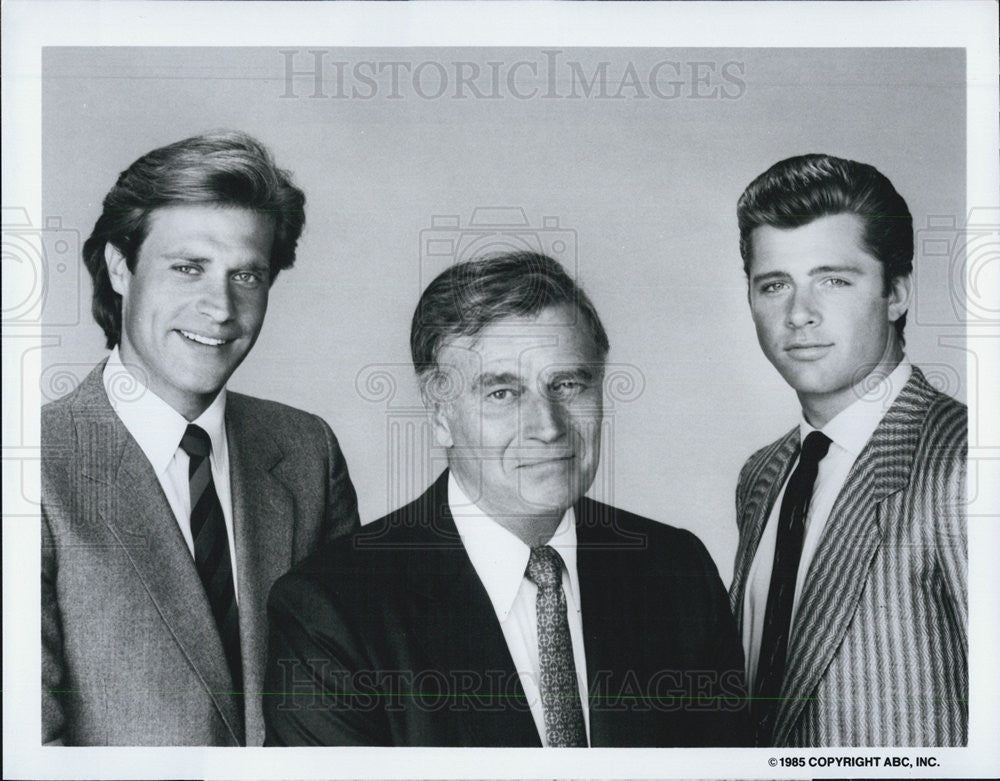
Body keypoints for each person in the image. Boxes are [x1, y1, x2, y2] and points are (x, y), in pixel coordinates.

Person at [264, 251, 748, 747]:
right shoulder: (332, 608)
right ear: (440, 414)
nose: (547, 427)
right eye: (502, 394)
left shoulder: (677, 571)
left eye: (568, 384)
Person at [41, 131, 360, 746]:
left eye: (247, 275)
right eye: (188, 268)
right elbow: (30, 748)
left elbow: (354, 708)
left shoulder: (305, 451)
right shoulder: (33, 467)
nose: (220, 307)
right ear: (118, 266)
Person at [730, 154, 967, 746]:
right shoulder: (763, 475)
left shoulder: (967, 465)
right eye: (774, 284)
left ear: (896, 293)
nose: (800, 314)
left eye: (833, 279)